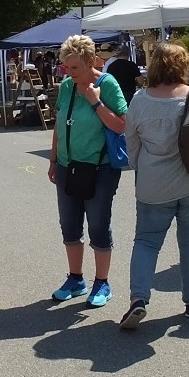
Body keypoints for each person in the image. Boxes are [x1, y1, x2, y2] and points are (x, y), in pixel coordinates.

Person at [119, 42, 189, 329]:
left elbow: (131, 144)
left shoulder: (140, 100)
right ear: (184, 65)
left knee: (146, 242)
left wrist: (141, 167)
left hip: (154, 186)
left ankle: (139, 299)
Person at [47, 34, 128, 308]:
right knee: (69, 225)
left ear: (91, 61)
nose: (69, 74)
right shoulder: (68, 87)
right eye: (66, 68)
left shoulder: (107, 84)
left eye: (75, 68)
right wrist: (54, 159)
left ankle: (102, 282)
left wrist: (96, 102)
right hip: (68, 166)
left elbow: (121, 125)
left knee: (98, 225)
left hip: (99, 168)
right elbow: (60, 123)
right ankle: (76, 279)